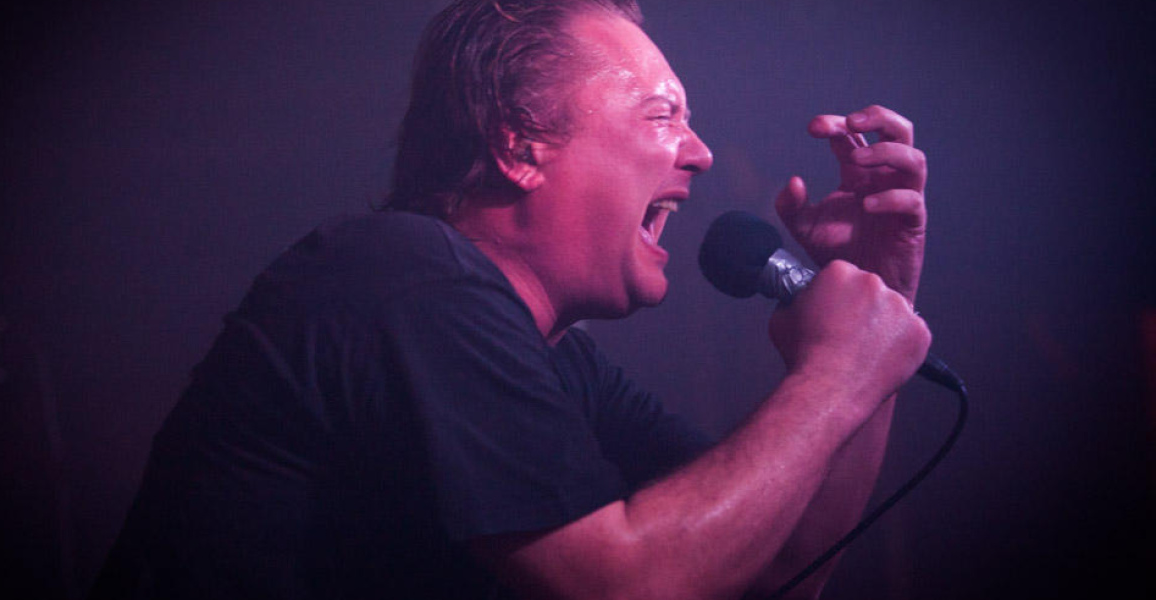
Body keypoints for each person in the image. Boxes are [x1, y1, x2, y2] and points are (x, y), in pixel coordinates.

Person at [91, 0, 931, 598]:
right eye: (661, 114)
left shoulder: (557, 362)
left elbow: (775, 569)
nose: (701, 152)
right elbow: (628, 587)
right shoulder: (405, 278)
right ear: (520, 143)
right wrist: (834, 375)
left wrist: (876, 305)